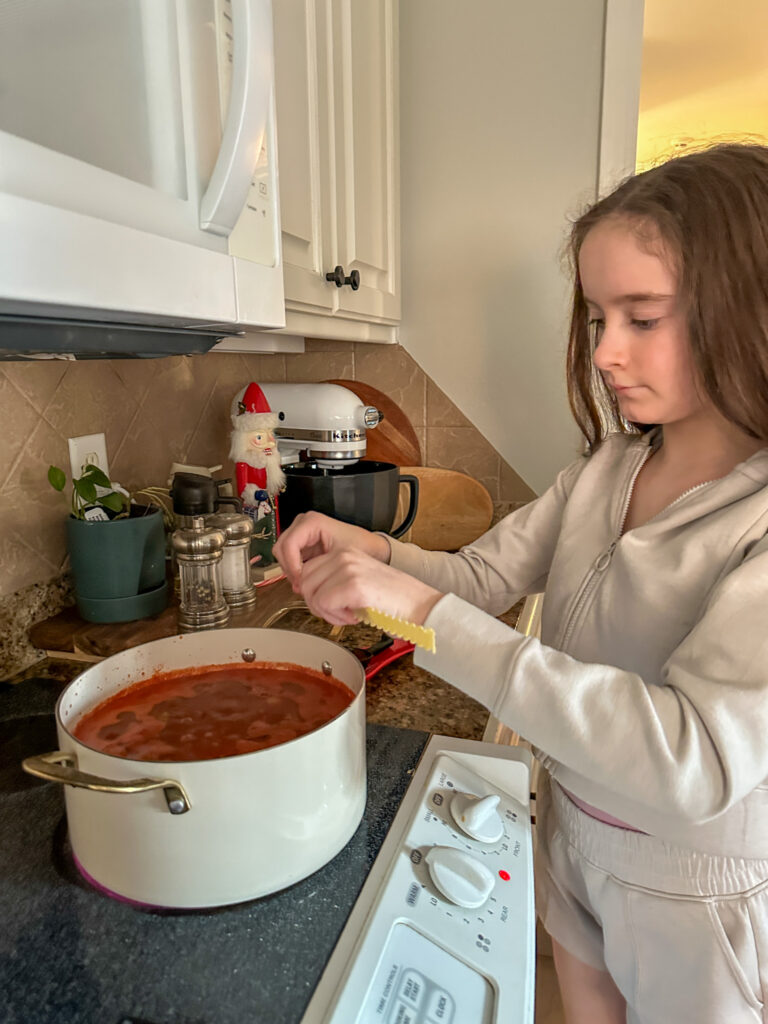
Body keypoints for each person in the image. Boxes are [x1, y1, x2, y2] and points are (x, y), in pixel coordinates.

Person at [272, 143, 768, 1023]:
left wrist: (420, 613)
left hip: (696, 895)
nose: (607, 351)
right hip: (571, 826)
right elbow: (479, 581)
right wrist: (376, 557)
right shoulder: (603, 471)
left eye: (642, 318)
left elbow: (695, 763)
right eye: (595, 318)